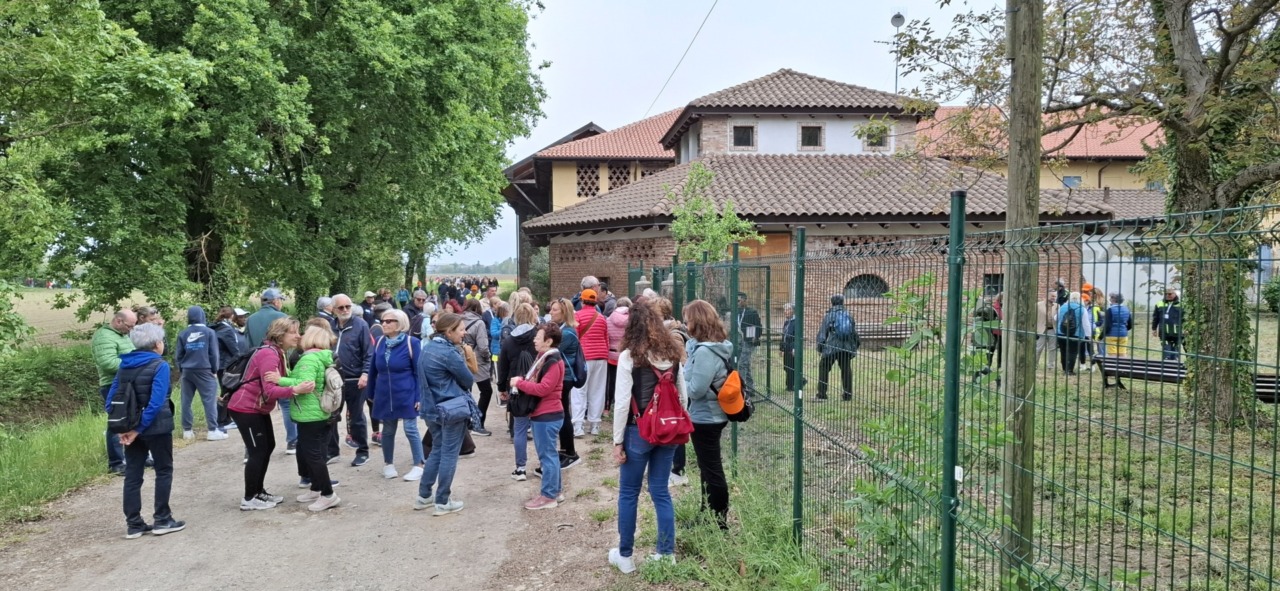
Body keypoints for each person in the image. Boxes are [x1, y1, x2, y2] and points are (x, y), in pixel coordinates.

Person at [609, 302, 689, 573]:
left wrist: (617, 441)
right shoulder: (673, 354)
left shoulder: (630, 357)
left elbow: (622, 403)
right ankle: (666, 553)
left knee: (629, 493)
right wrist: (675, 422)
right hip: (668, 431)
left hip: (638, 430)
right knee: (660, 491)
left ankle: (625, 556)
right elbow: (683, 396)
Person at [226, 317, 317, 511]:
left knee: (268, 446)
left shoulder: (277, 352)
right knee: (257, 450)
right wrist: (295, 390)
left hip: (257, 408)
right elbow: (270, 390)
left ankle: (259, 491)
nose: (298, 336)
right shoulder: (269, 354)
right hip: (246, 408)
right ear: (280, 335)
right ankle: (249, 498)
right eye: (293, 332)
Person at [108, 323, 185, 538]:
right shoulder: (160, 365)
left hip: (130, 427)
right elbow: (157, 401)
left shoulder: (124, 365)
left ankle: (134, 524)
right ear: (157, 344)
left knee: (133, 474)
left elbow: (111, 399)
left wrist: (123, 427)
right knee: (163, 470)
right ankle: (162, 519)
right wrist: (139, 428)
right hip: (157, 427)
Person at [272, 325, 340, 511]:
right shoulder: (321, 356)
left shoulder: (309, 358)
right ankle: (316, 488)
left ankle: (328, 495)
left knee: (314, 456)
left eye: (304, 334)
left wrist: (279, 380)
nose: (300, 337)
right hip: (317, 413)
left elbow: (306, 384)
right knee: (313, 453)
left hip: (310, 415)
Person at [414, 313, 474, 516]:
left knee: (438, 450)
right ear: (449, 332)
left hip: (431, 409)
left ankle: (424, 496)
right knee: (449, 453)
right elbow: (468, 380)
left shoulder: (427, 347)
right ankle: (442, 501)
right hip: (450, 409)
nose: (464, 333)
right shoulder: (448, 352)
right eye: (461, 329)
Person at [682, 299, 732, 530]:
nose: (685, 324)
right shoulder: (714, 346)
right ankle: (707, 516)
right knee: (707, 469)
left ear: (697, 321)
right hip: (709, 415)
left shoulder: (705, 353)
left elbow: (695, 390)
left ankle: (719, 521)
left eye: (688, 320)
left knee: (712, 470)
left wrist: (680, 379)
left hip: (706, 417)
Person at [509, 322, 568, 509]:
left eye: (538, 337)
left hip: (547, 415)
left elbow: (544, 388)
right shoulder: (545, 357)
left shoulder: (552, 360)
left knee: (547, 456)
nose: (534, 339)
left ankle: (548, 496)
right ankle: (555, 491)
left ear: (549, 341)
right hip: (546, 414)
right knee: (550, 455)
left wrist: (519, 383)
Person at [367, 309, 425, 481]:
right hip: (384, 393)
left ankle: (419, 464)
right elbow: (373, 370)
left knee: (410, 428)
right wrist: (370, 393)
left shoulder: (412, 342)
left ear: (400, 324)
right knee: (388, 430)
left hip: (407, 391)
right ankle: (388, 463)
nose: (384, 324)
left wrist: (419, 396)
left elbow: (419, 372)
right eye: (383, 321)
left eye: (389, 321)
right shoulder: (379, 342)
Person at [332, 293, 374, 466]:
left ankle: (362, 451)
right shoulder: (330, 326)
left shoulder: (360, 325)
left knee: (356, 417)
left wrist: (365, 373)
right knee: (331, 416)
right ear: (333, 309)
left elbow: (369, 352)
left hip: (355, 378)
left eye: (348, 306)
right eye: (341, 307)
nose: (345, 310)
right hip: (334, 380)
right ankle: (332, 451)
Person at [94, 309, 137, 475]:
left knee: (133, 421)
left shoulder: (122, 335)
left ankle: (136, 456)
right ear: (119, 321)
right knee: (117, 423)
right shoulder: (104, 337)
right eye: (129, 326)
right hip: (112, 385)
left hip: (126, 384)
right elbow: (108, 362)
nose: (131, 330)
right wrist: (135, 363)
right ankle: (116, 463)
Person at [499, 303, 540, 475]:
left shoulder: (509, 341)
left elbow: (503, 366)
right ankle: (543, 464)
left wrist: (502, 388)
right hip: (537, 386)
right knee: (539, 429)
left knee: (520, 429)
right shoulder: (539, 336)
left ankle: (520, 468)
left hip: (516, 387)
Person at [175, 306, 225, 441]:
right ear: (202, 316)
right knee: (209, 400)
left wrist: (182, 369)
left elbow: (178, 355)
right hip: (204, 369)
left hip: (187, 370)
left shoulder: (183, 333)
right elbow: (214, 354)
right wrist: (214, 369)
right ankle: (212, 430)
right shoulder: (209, 332)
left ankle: (187, 431)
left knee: (186, 400)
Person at [549, 298, 583, 471]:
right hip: (562, 376)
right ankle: (564, 449)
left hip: (566, 377)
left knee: (564, 414)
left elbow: (551, 350)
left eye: (555, 310)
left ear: (564, 313)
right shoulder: (563, 330)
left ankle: (570, 452)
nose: (551, 312)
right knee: (562, 413)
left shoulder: (568, 333)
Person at [574, 288, 610, 437]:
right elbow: (606, 338)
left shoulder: (577, 316)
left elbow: (575, 338)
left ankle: (578, 425)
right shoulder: (601, 318)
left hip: (584, 357)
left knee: (579, 390)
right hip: (601, 357)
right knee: (597, 390)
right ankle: (595, 425)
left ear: (582, 301)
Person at [816, 294, 861, 400]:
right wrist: (856, 345)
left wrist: (820, 347)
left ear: (832, 302)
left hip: (832, 346)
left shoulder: (830, 315)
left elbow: (823, 332)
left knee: (823, 367)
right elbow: (853, 332)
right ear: (842, 302)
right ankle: (847, 395)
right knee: (846, 369)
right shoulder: (848, 314)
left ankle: (822, 394)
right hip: (846, 347)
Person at [462, 299, 494, 436]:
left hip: (461, 359)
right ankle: (478, 423)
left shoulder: (459, 320)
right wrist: (487, 358)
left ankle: (465, 423)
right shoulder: (479, 323)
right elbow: (483, 346)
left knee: (465, 393)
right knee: (486, 391)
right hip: (477, 361)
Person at [212, 306, 244, 431]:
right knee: (227, 390)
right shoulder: (226, 329)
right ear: (232, 316)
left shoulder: (217, 327)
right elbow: (233, 348)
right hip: (226, 363)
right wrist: (240, 361)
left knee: (225, 389)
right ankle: (222, 420)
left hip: (220, 363)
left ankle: (225, 419)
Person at [1102, 292, 1133, 389]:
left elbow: (1107, 325)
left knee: (1112, 354)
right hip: (1123, 335)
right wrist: (1124, 329)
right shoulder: (1126, 309)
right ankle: (1122, 370)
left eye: (1110, 298)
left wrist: (1100, 336)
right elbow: (1130, 324)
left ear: (1113, 299)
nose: (1109, 300)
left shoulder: (1110, 310)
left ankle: (1114, 371)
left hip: (1111, 335)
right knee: (1122, 353)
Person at [606, 297, 631, 412]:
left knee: (611, 381)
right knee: (625, 382)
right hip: (626, 354)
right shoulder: (632, 320)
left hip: (611, 355)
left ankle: (608, 407)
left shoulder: (608, 319)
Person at [734, 292, 762, 394]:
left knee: (742, 364)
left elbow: (758, 326)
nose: (737, 303)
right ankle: (750, 388)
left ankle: (741, 388)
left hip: (749, 340)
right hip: (739, 340)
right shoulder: (736, 312)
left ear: (745, 300)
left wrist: (756, 336)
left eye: (739, 301)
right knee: (746, 364)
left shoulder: (752, 312)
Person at [1057, 292, 1088, 375]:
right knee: (1072, 352)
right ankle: (1069, 370)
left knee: (1063, 351)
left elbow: (1056, 318)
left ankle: (1064, 369)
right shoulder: (1082, 309)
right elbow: (1086, 324)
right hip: (1075, 334)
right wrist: (1088, 335)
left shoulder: (1063, 307)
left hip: (1061, 333)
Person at [1152, 288, 1184, 361]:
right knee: (1166, 350)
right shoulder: (1159, 304)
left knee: (1176, 351)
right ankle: (1166, 360)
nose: (1167, 295)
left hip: (1177, 332)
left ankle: (1175, 361)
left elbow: (1184, 318)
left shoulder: (1181, 304)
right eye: (1166, 294)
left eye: (1169, 294)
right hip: (1164, 331)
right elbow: (1155, 318)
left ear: (1175, 294)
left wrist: (1185, 329)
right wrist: (1154, 329)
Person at [1036, 290, 1059, 369]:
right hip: (1041, 329)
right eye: (1052, 296)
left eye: (1055, 296)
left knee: (1052, 348)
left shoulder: (1057, 306)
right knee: (1038, 348)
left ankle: (1051, 365)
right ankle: (1035, 364)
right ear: (1047, 296)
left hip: (1052, 329)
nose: (1054, 298)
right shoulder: (1038, 305)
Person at [780, 302, 798, 391]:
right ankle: (797, 382)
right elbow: (783, 336)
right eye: (785, 310)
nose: (785, 312)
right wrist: (781, 348)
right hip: (786, 347)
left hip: (792, 347)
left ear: (792, 311)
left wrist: (794, 348)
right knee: (786, 367)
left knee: (791, 367)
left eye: (787, 309)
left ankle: (790, 386)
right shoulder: (787, 322)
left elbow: (797, 336)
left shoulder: (796, 322)